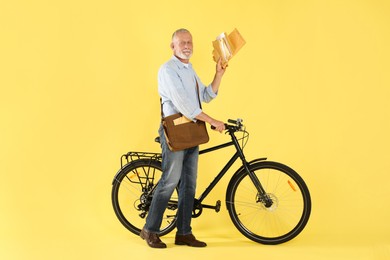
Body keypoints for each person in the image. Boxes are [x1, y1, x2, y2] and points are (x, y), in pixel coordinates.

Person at [140, 28, 227, 248]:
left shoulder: (189, 69)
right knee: (170, 180)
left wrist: (219, 74)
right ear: (173, 46)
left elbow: (205, 96)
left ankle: (184, 233)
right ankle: (150, 230)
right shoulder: (168, 70)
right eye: (182, 43)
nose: (187, 46)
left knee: (189, 184)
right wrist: (213, 121)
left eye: (190, 42)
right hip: (176, 132)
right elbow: (186, 107)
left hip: (191, 131)